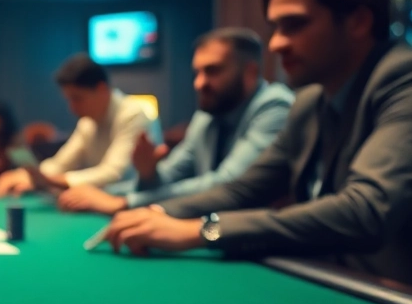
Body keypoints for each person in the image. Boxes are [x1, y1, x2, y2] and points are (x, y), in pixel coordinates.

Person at [105, 0, 412, 304]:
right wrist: (156, 213)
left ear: (359, 22)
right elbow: (244, 190)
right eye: (274, 27)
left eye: (294, 25)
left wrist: (202, 230)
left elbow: (364, 211)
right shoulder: (312, 100)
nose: (276, 44)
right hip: (345, 288)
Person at [58, 28, 294, 213]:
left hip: (265, 247)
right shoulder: (207, 115)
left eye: (212, 71)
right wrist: (148, 174)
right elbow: (170, 175)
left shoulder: (275, 106)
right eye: (197, 73)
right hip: (214, 230)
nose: (199, 83)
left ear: (250, 73)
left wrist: (124, 201)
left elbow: (228, 184)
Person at [0, 54, 154, 197]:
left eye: (77, 98)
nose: (72, 108)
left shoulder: (133, 114)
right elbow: (60, 164)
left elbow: (114, 174)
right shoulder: (88, 122)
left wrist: (52, 181)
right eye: (69, 100)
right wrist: (23, 175)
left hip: (138, 204)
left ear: (102, 89)